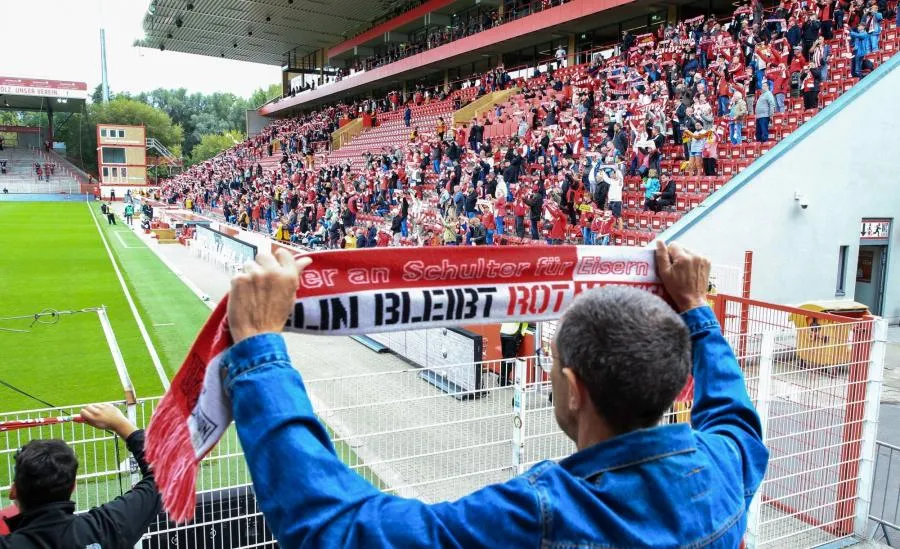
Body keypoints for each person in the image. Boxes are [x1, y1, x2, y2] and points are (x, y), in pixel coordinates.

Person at [218, 244, 768, 548]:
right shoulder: (725, 465)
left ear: (574, 391)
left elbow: (336, 532)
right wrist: (696, 306)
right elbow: (734, 414)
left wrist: (261, 349)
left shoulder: (544, 515)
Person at [0, 403, 161, 548]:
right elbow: (163, 476)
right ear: (73, 486)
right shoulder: (105, 528)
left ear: (13, 491)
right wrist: (120, 423)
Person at [499, 322, 529, 386]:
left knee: (505, 358)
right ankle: (503, 381)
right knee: (509, 359)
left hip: (504, 332)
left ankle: (501, 379)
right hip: (511, 335)